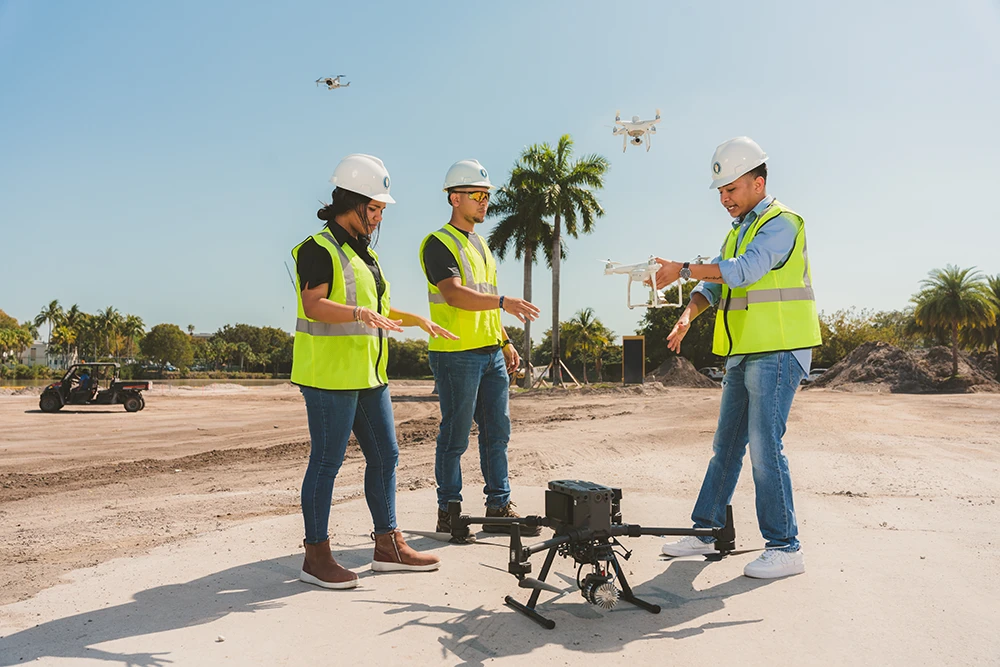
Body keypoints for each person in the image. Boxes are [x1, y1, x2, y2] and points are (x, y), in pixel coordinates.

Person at [655, 137, 822, 579]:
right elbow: (714, 283)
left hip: (780, 349)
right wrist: (687, 315)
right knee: (726, 446)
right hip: (745, 352)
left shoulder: (783, 223)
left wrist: (684, 268)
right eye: (721, 192)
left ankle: (786, 547)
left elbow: (744, 271)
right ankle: (706, 529)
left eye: (731, 188)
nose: (724, 198)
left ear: (758, 182)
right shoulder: (738, 231)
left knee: (766, 448)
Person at [292, 154, 453, 589]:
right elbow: (314, 304)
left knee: (387, 455)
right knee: (327, 462)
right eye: (376, 208)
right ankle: (316, 556)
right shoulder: (317, 249)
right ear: (354, 201)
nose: (380, 217)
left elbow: (375, 311)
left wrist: (415, 319)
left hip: (368, 375)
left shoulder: (362, 255)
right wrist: (360, 311)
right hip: (328, 376)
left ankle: (388, 546)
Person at [419, 159, 541, 539]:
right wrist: (504, 303)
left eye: (487, 196)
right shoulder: (438, 243)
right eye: (477, 195)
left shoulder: (481, 246)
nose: (484, 202)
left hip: (489, 353)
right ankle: (449, 511)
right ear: (455, 198)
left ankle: (498, 507)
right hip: (455, 354)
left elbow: (484, 299)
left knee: (497, 432)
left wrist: (504, 340)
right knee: (455, 436)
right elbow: (454, 295)